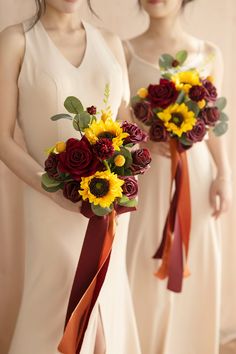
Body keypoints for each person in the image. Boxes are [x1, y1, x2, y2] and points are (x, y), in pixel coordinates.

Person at [0, 1, 141, 353]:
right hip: (49, 202)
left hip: (108, 203)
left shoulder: (110, 41)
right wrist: (52, 191)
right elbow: (2, 138)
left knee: (107, 309)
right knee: (56, 299)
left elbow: (124, 126)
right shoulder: (17, 41)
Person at [124, 1, 232, 353]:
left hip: (195, 181)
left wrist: (223, 175)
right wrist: (145, 137)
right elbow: (121, 121)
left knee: (196, 266)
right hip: (146, 179)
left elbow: (215, 124)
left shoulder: (208, 53)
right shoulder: (123, 51)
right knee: (141, 263)